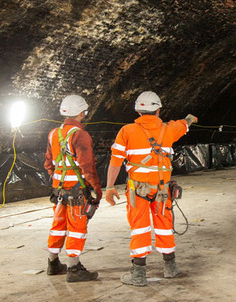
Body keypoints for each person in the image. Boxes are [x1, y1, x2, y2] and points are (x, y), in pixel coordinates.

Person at [104, 91, 197, 287]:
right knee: (164, 226)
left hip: (138, 191)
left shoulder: (127, 131)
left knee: (140, 228)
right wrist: (190, 119)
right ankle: (170, 267)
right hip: (163, 191)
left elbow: (115, 161)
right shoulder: (169, 129)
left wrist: (110, 187)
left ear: (138, 111)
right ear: (158, 110)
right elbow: (184, 124)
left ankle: (138, 274)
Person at [44, 94, 102, 282]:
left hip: (59, 191)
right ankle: (74, 268)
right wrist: (96, 190)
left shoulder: (53, 133)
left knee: (58, 226)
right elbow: (87, 167)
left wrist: (59, 181)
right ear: (81, 113)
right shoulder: (80, 134)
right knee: (77, 227)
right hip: (77, 191)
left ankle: (53, 263)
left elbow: (48, 164)